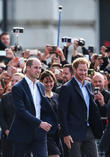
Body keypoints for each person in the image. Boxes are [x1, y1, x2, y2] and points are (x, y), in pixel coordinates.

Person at [59, 57, 103, 157]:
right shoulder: (67, 88)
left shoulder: (89, 85)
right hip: (73, 132)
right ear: (74, 70)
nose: (83, 72)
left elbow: (91, 108)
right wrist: (66, 133)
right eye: (80, 70)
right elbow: (62, 112)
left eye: (85, 70)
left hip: (88, 130)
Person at [7, 58, 52, 157]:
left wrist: (48, 122)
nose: (39, 70)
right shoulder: (17, 87)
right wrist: (39, 123)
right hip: (22, 132)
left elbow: (44, 108)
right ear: (27, 68)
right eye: (36, 67)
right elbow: (21, 111)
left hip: (40, 133)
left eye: (40, 68)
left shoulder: (41, 86)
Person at [0, 73, 25, 157]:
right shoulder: (5, 97)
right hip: (8, 135)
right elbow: (1, 116)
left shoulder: (27, 97)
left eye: (17, 81)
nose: (14, 83)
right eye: (13, 81)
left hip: (24, 135)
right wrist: (6, 130)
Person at [40, 70, 63, 157]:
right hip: (45, 132)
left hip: (56, 132)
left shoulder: (56, 96)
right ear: (41, 82)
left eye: (51, 81)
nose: (49, 84)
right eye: (46, 82)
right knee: (55, 155)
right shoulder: (39, 96)